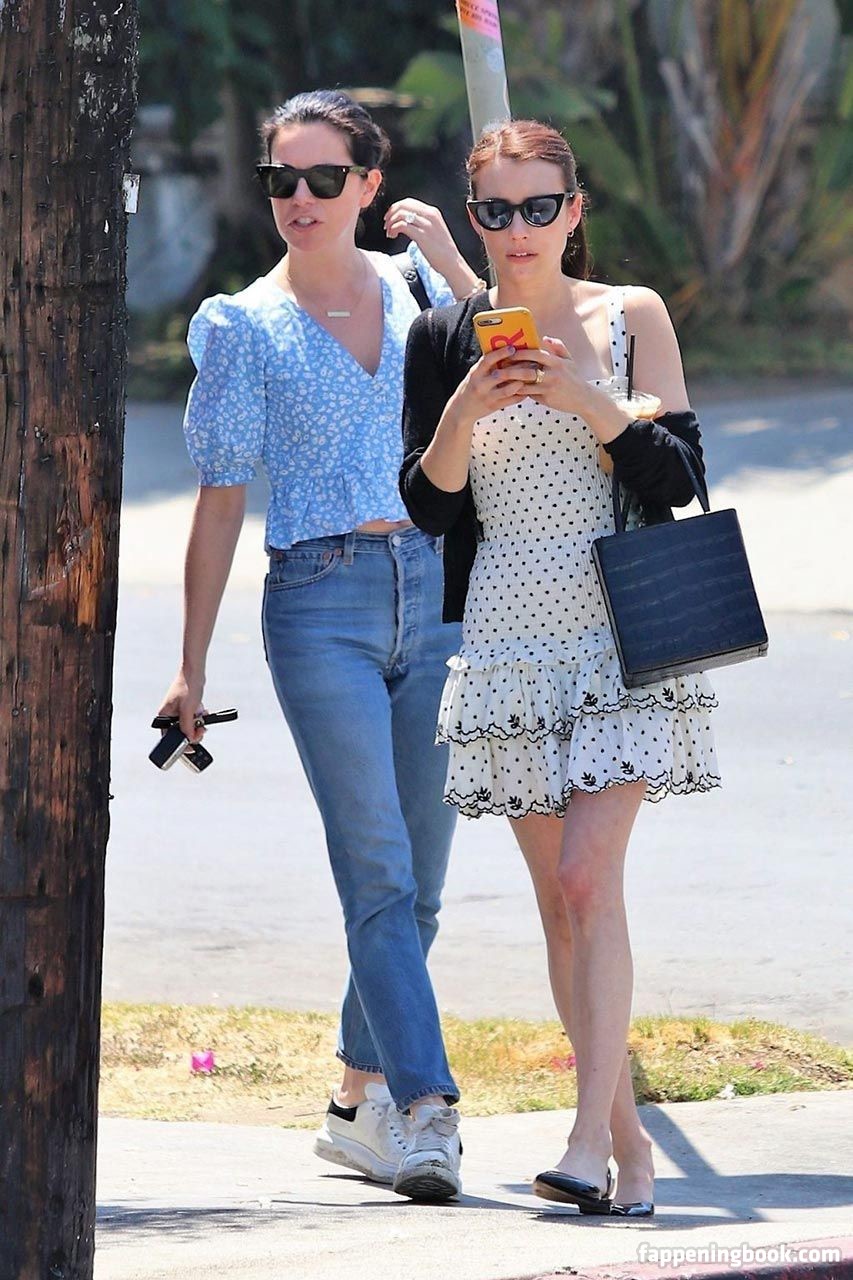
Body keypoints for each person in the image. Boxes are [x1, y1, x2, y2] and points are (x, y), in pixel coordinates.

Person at [157, 89, 485, 1201]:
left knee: (422, 883)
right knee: (377, 868)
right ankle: (427, 1111)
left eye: (323, 177)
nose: (299, 197)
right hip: (318, 600)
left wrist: (451, 255)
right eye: (280, 179)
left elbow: (516, 355)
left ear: (367, 185)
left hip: (436, 593)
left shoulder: (420, 287)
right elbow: (219, 497)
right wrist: (190, 663)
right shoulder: (241, 326)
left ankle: (354, 1099)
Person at [400, 119, 719, 1216]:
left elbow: (679, 476)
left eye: (541, 207)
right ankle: (626, 1143)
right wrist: (464, 408)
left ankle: (583, 1137)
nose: (520, 228)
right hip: (506, 635)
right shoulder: (444, 334)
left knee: (590, 878)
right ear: (474, 218)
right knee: (557, 906)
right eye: (497, 211)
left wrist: (588, 399)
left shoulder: (629, 315)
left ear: (573, 211)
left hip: (620, 628)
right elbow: (427, 504)